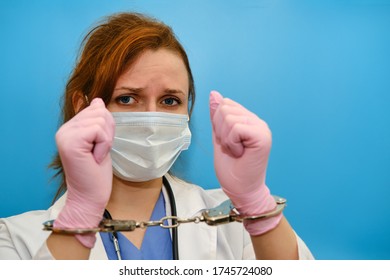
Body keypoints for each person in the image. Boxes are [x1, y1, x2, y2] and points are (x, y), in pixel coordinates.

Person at [0, 12, 313, 260]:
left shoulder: (236, 225)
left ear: (187, 113)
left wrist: (256, 205)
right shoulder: (15, 239)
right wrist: (79, 217)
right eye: (127, 98)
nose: (151, 120)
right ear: (83, 108)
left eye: (169, 101)